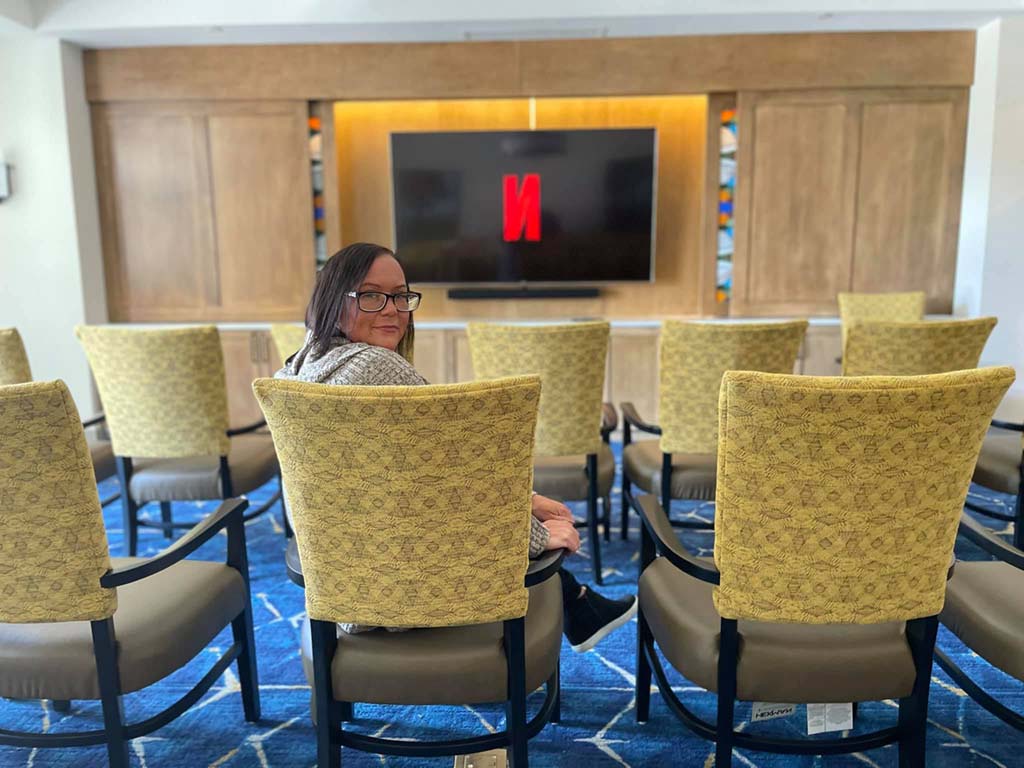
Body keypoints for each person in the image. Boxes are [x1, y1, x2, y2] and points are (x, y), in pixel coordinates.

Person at [276, 242, 636, 652]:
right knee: (535, 538)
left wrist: (528, 501)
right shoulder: (376, 367)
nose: (393, 309)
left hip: (345, 587)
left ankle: (580, 606)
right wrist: (534, 539)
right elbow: (458, 484)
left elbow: (413, 484)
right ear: (334, 300)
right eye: (372, 296)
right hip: (417, 594)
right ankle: (577, 605)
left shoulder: (300, 368)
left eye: (400, 296)